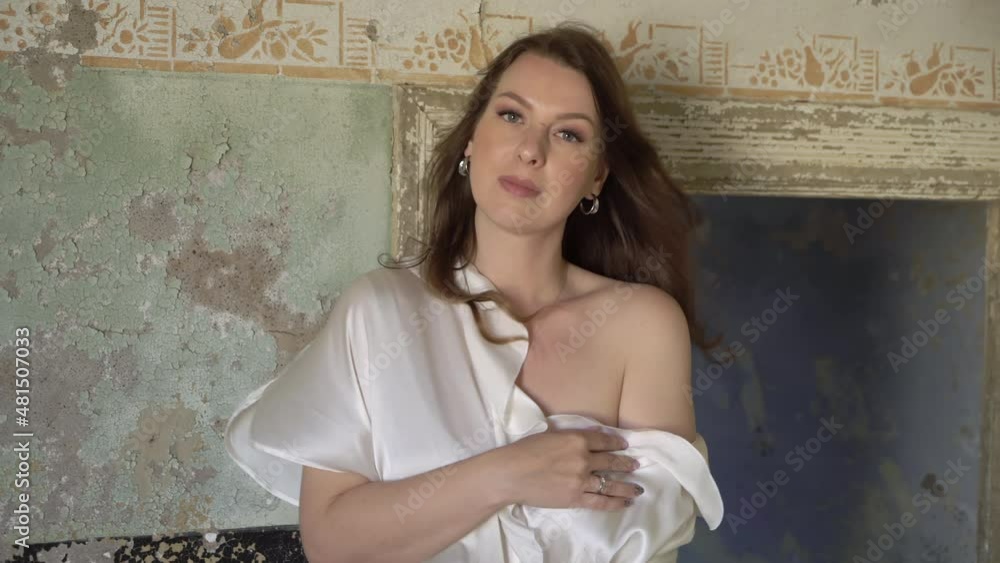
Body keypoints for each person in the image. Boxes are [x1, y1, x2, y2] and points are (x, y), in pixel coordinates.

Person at [225, 21, 724, 563]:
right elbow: (330, 542)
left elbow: (648, 544)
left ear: (597, 176)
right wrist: (504, 474)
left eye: (568, 134)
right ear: (472, 138)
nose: (530, 150)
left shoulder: (642, 326)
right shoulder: (379, 312)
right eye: (511, 116)